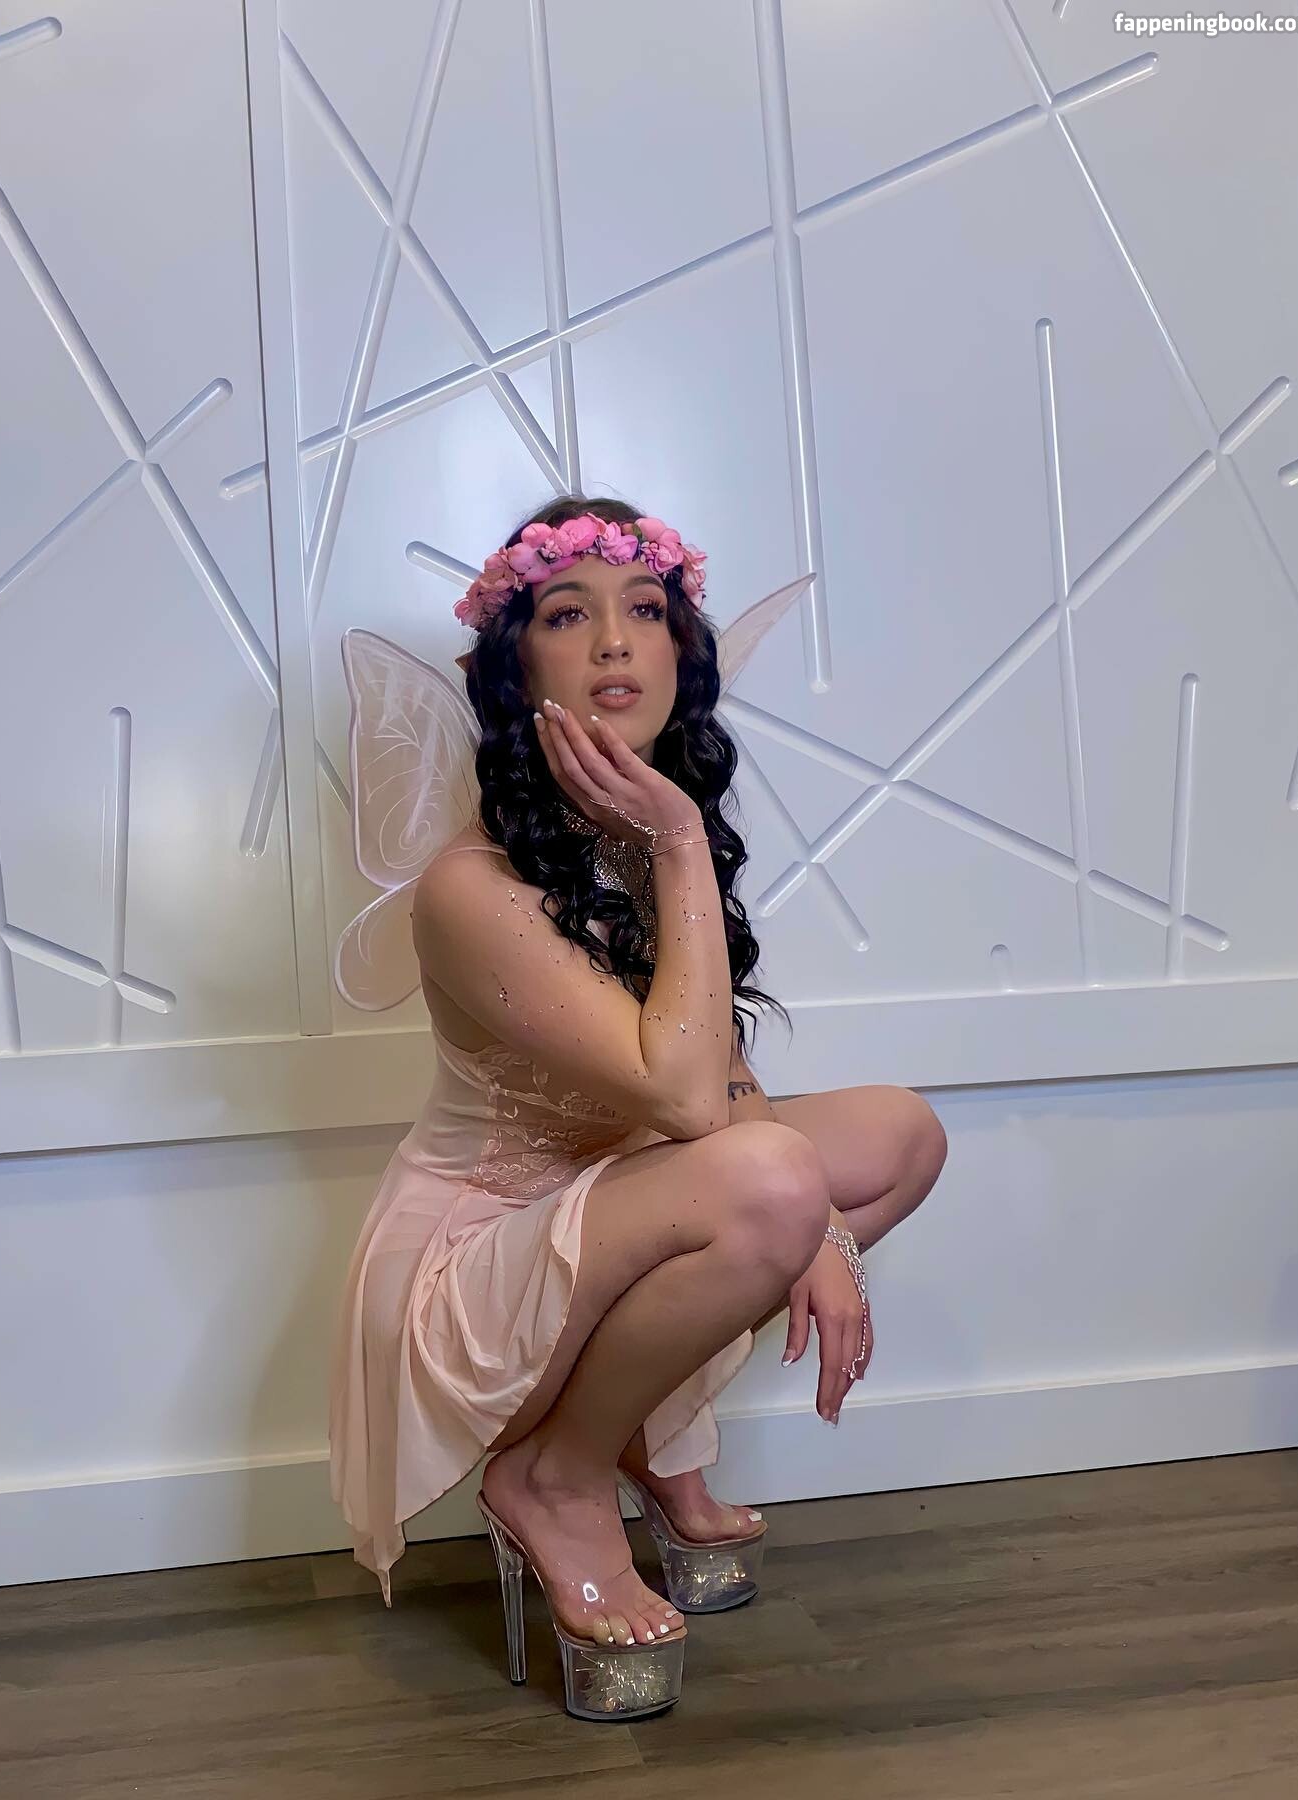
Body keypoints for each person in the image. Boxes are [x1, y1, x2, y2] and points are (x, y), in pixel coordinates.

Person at [328, 495, 947, 1720]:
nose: (616, 640)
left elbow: (725, 1080)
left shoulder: (636, 838)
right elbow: (680, 1093)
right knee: (770, 1182)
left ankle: (626, 1430)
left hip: (625, 1203)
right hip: (479, 1265)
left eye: (646, 611)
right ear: (516, 671)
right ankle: (553, 1477)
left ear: (680, 652)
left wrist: (823, 1228)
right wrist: (676, 843)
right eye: (569, 614)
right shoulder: (472, 888)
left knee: (897, 1137)